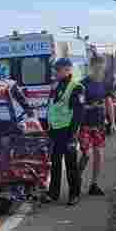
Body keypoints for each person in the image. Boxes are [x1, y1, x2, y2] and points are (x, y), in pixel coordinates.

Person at [42, 58, 84, 206]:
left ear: (67, 70)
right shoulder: (57, 85)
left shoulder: (76, 87)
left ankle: (74, 194)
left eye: (58, 70)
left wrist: (73, 135)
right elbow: (52, 107)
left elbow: (78, 114)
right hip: (55, 131)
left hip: (68, 131)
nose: (56, 73)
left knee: (71, 164)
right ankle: (53, 194)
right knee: (55, 164)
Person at [79, 54, 108, 196]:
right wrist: (90, 106)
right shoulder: (83, 83)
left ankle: (94, 184)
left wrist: (112, 121)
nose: (99, 71)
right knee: (86, 154)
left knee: (99, 154)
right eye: (97, 68)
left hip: (100, 124)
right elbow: (78, 106)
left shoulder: (104, 83)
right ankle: (76, 179)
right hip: (85, 124)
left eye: (102, 68)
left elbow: (108, 101)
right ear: (91, 67)